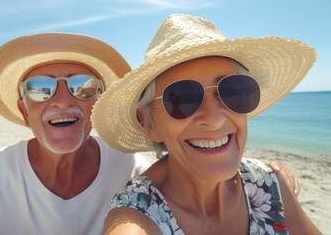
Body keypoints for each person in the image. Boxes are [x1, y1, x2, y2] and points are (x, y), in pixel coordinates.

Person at [0, 32, 298, 235]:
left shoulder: (133, 168)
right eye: (39, 88)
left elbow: (191, 163)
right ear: (23, 110)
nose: (63, 100)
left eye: (83, 86)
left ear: (97, 105)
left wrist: (269, 176)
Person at [92, 14, 321, 234]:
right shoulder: (137, 217)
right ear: (149, 123)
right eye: (182, 99)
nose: (215, 119)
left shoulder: (271, 184)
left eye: (232, 92)